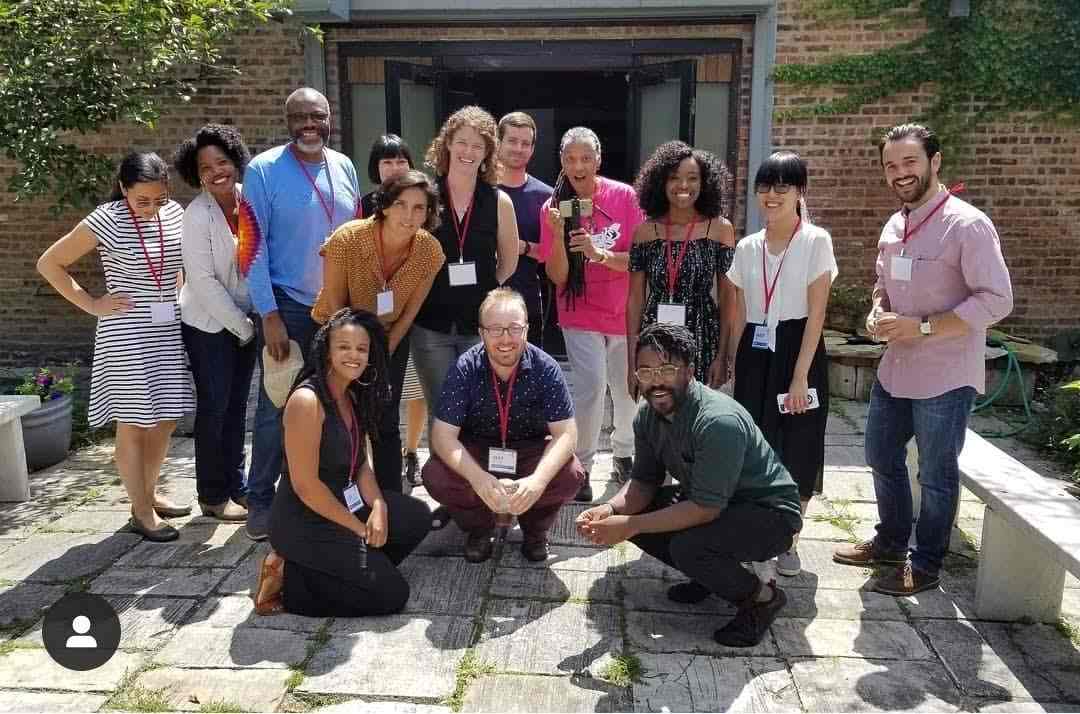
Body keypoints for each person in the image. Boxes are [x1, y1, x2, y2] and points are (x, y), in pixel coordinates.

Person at [833, 124, 1013, 596]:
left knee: (935, 472)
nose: (900, 173)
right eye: (891, 165)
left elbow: (997, 301)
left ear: (935, 162)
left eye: (909, 162)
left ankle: (927, 561)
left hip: (946, 375)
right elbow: (882, 286)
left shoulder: (967, 224)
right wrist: (876, 312)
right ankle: (891, 541)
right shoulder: (895, 225)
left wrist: (925, 327)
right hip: (896, 369)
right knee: (879, 455)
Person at [576, 323, 802, 647]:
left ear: (690, 371)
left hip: (770, 514)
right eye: (645, 371)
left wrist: (627, 524)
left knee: (687, 545)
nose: (656, 382)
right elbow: (643, 482)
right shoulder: (647, 416)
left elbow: (705, 509)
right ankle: (711, 576)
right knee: (650, 515)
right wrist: (610, 509)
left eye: (667, 369)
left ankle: (762, 598)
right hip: (717, 503)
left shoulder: (716, 421)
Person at [37, 152, 195, 541]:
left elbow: (177, 262)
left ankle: (149, 492)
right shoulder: (105, 219)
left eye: (158, 199)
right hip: (126, 333)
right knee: (136, 420)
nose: (150, 208)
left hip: (166, 330)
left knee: (166, 417)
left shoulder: (174, 212)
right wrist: (93, 303)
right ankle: (140, 512)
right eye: (141, 200)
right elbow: (49, 263)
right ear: (124, 188)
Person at [253, 308, 431, 617]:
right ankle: (291, 581)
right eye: (344, 347)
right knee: (393, 595)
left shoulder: (351, 394)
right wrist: (359, 529)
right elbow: (306, 486)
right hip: (304, 519)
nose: (354, 355)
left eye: (362, 349)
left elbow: (360, 463)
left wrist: (378, 506)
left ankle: (342, 567)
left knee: (416, 516)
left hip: (343, 503)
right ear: (326, 351)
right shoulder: (306, 401)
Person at [242, 87, 362, 540]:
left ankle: (319, 491)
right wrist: (267, 313)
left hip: (337, 307)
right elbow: (250, 247)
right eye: (299, 117)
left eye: (317, 116)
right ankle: (260, 499)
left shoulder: (344, 165)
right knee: (277, 405)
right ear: (287, 121)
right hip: (288, 307)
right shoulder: (264, 170)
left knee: (333, 403)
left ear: (330, 118)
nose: (309, 125)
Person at [725, 151, 837, 577]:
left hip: (798, 349)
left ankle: (789, 537)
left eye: (782, 187)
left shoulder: (815, 241)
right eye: (765, 187)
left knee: (800, 443)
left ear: (799, 192)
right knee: (757, 444)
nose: (772, 196)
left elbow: (817, 314)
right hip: (756, 348)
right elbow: (738, 312)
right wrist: (734, 365)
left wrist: (800, 374)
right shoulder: (747, 246)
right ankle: (757, 532)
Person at [421, 288, 584, 564]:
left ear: (527, 330)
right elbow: (442, 436)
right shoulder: (464, 368)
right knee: (436, 473)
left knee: (571, 474)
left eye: (514, 328)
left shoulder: (547, 368)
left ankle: (535, 530)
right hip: (479, 450)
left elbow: (566, 434)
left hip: (529, 449)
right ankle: (479, 528)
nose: (505, 338)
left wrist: (538, 481)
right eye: (495, 329)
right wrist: (478, 477)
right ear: (482, 332)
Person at [312, 170, 445, 494]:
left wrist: (380, 354)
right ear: (384, 206)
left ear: (429, 213)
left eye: (419, 208)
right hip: (336, 334)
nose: (409, 215)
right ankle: (336, 496)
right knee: (337, 418)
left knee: (384, 421)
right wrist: (355, 355)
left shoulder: (429, 251)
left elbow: (410, 312)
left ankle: (389, 500)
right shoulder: (347, 239)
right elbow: (335, 307)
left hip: (389, 339)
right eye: (401, 204)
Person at [539, 127, 643, 499]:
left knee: (626, 388)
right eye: (570, 159)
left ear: (598, 160)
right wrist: (556, 237)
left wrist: (600, 255)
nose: (578, 165)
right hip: (579, 311)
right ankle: (581, 463)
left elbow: (640, 260)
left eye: (585, 158)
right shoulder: (553, 206)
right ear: (562, 162)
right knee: (591, 388)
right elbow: (558, 277)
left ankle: (625, 453)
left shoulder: (625, 197)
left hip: (622, 311)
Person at [411, 106, 519, 423]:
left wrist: (483, 291)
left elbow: (509, 262)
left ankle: (475, 472)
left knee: (479, 406)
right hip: (431, 323)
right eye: (462, 142)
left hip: (479, 325)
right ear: (447, 144)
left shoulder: (499, 201)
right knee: (441, 408)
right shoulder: (425, 195)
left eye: (477, 145)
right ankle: (442, 472)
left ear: (487, 153)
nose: (468, 151)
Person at [174, 124, 256, 522]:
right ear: (196, 173)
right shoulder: (196, 215)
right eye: (205, 167)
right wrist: (242, 326)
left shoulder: (248, 200)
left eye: (222, 161)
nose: (215, 171)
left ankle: (236, 484)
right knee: (214, 408)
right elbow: (202, 281)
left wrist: (250, 321)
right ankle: (211, 494)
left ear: (236, 160)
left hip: (244, 320)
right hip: (209, 326)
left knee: (238, 407)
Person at [628, 140, 736, 397]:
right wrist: (632, 362)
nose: (683, 186)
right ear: (660, 183)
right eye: (674, 178)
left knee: (699, 415)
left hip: (703, 335)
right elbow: (634, 300)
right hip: (655, 336)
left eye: (692, 178)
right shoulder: (645, 232)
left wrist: (723, 356)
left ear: (705, 182)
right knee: (660, 410)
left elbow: (728, 297)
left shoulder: (720, 229)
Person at [357, 134, 430, 489]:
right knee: (375, 396)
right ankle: (370, 465)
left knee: (413, 389)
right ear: (376, 168)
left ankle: (412, 450)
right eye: (387, 161)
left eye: (401, 160)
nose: (395, 167)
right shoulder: (363, 206)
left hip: (411, 313)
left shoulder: (423, 205)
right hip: (370, 316)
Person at [497, 111, 554, 348]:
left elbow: (553, 254)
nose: (518, 148)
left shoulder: (546, 196)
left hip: (527, 302)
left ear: (532, 149)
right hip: (482, 299)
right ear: (498, 143)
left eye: (525, 143)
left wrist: (523, 247)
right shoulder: (478, 192)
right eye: (512, 141)